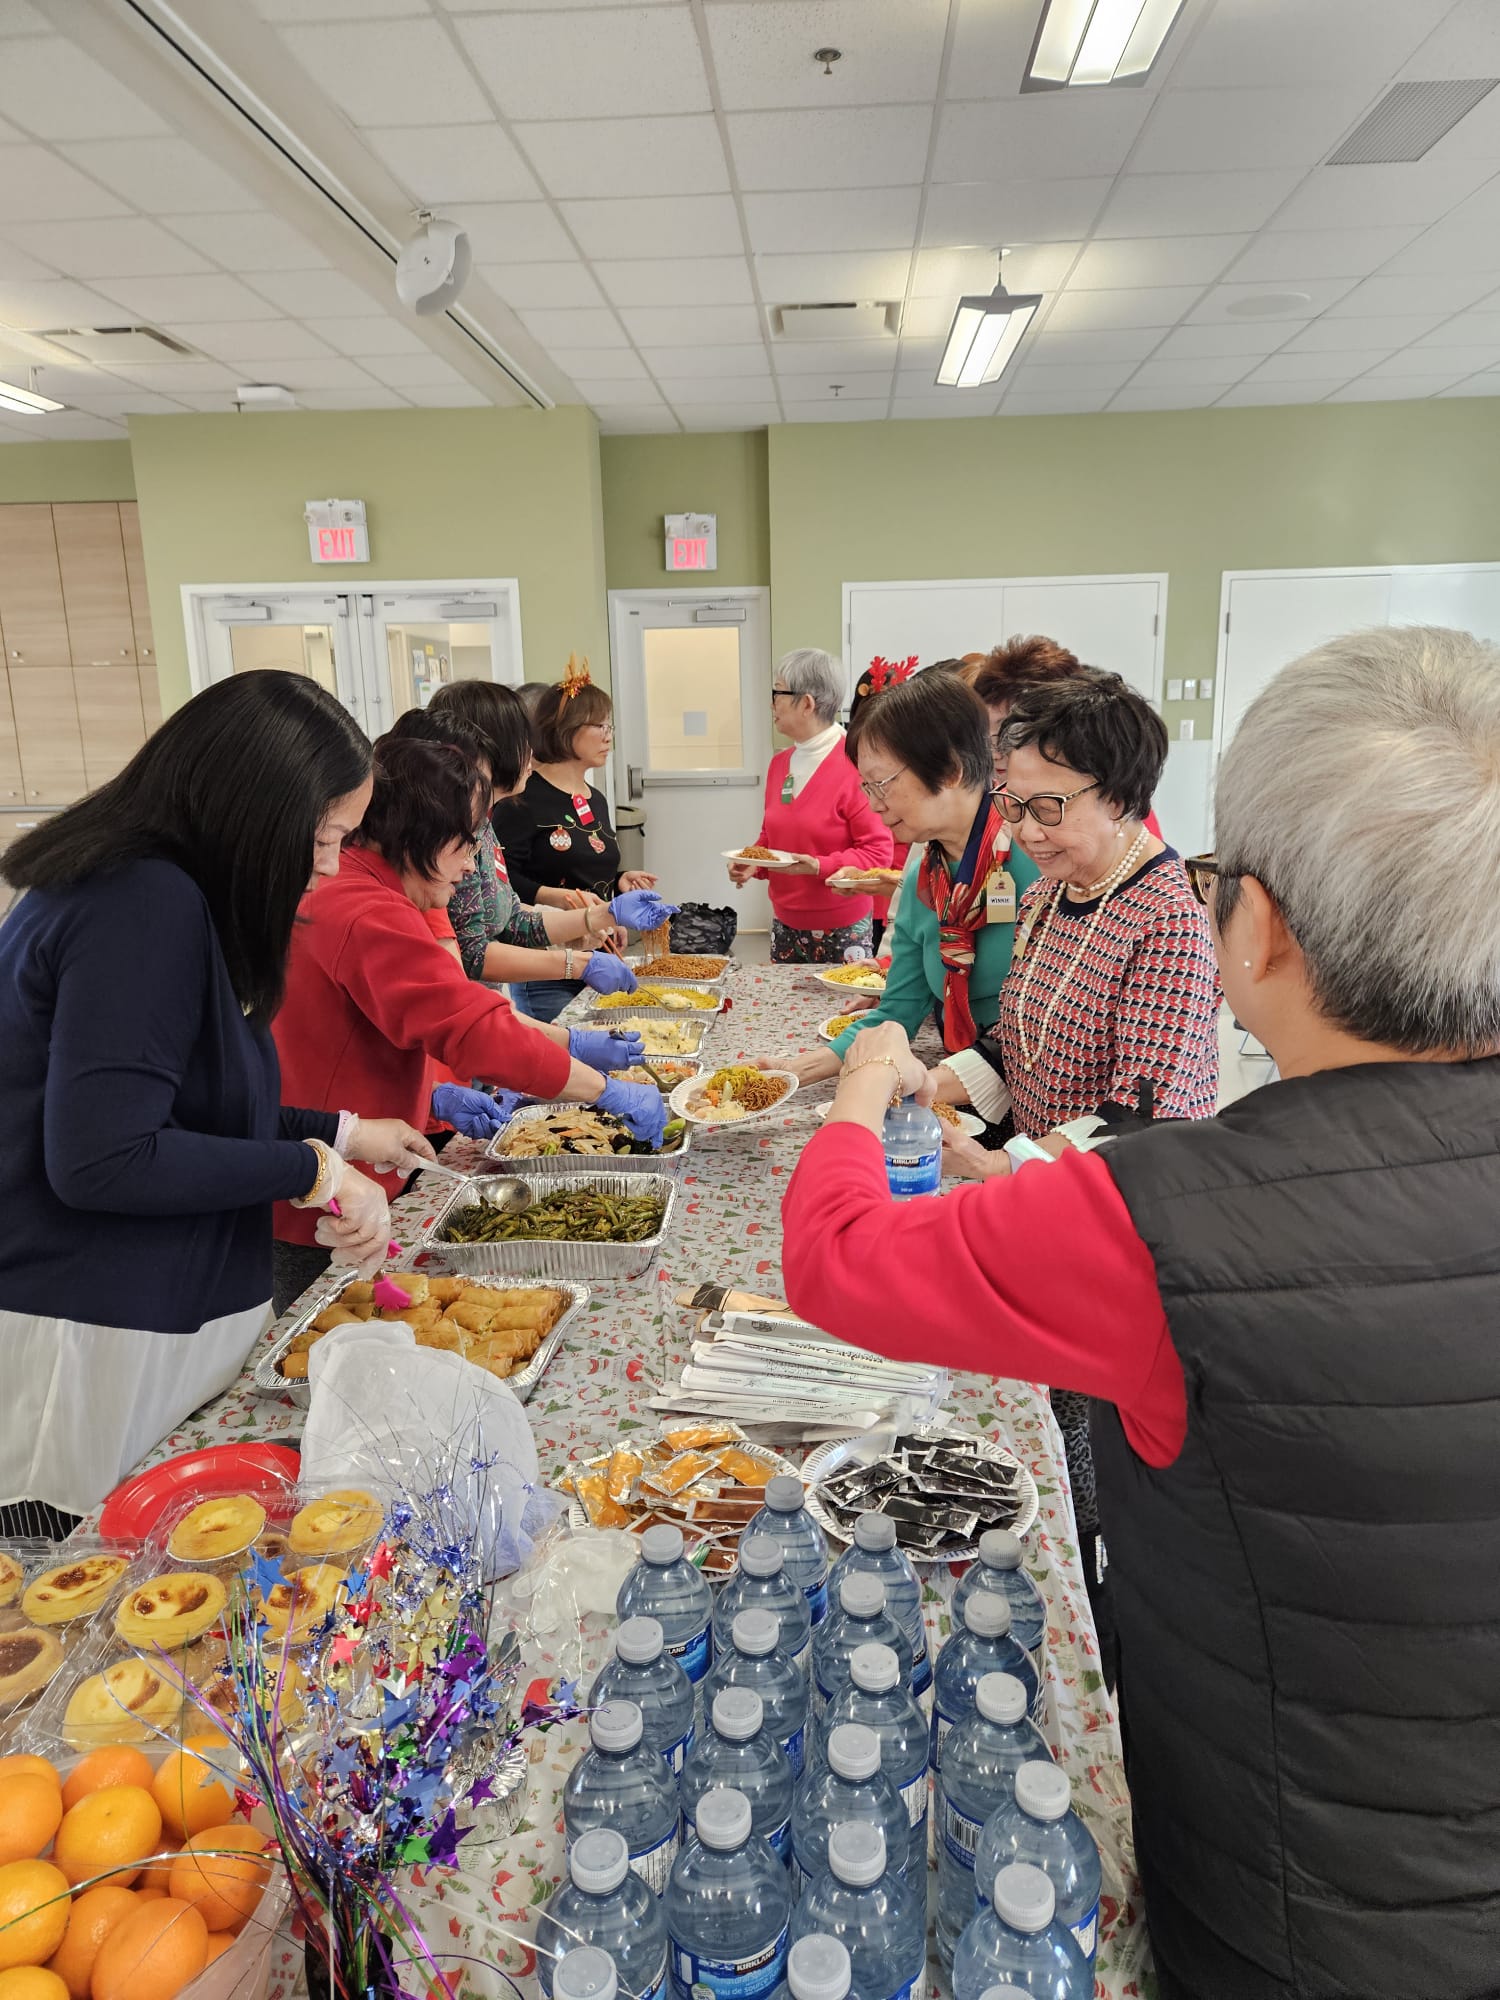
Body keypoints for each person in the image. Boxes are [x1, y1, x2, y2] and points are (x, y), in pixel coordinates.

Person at [782, 622, 1500, 2000]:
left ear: (1260, 929)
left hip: (1291, 1902)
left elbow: (842, 1261)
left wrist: (867, 1095)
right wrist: (969, 1089)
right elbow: (1027, 1055)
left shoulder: (1178, 1221)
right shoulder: (1057, 913)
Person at [0, 672, 425, 1529]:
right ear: (249, 809)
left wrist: (341, 1135)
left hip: (148, 1322)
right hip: (89, 1339)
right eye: (321, 836)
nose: (330, 865)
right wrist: (312, 1170)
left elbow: (195, 1104)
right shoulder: (139, 903)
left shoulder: (168, 895)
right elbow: (104, 1157)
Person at [271, 733, 667, 1311]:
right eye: (465, 843)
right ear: (422, 836)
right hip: (330, 1191)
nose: (471, 863)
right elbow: (471, 1027)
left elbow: (375, 1028)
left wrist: (434, 1095)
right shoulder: (366, 909)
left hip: (348, 1159)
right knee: (341, 1345)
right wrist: (604, 1089)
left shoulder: (368, 889)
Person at [773, 670, 1039, 1089]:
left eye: (881, 784)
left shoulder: (1038, 859)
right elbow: (899, 1009)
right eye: (866, 786)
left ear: (950, 770)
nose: (873, 804)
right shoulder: (926, 876)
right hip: (966, 1082)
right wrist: (797, 1070)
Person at [387, 694, 665, 993]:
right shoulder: (458, 834)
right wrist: (576, 961)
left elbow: (513, 919)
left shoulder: (482, 825)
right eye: (523, 740)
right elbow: (472, 953)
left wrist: (603, 914)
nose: (531, 754)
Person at [490, 659, 658, 1021]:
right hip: (546, 964)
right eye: (599, 725)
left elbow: (585, 865)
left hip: (599, 953)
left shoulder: (593, 797)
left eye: (610, 725)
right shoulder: (522, 797)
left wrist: (619, 881)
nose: (608, 735)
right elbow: (503, 881)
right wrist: (560, 899)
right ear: (565, 729)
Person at [729, 648, 894, 964]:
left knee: (842, 1011)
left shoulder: (856, 763)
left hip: (843, 928)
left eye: (777, 693)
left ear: (807, 703)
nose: (771, 703)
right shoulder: (780, 764)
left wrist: (819, 866)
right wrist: (755, 861)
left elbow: (877, 854)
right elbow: (771, 836)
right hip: (785, 922)